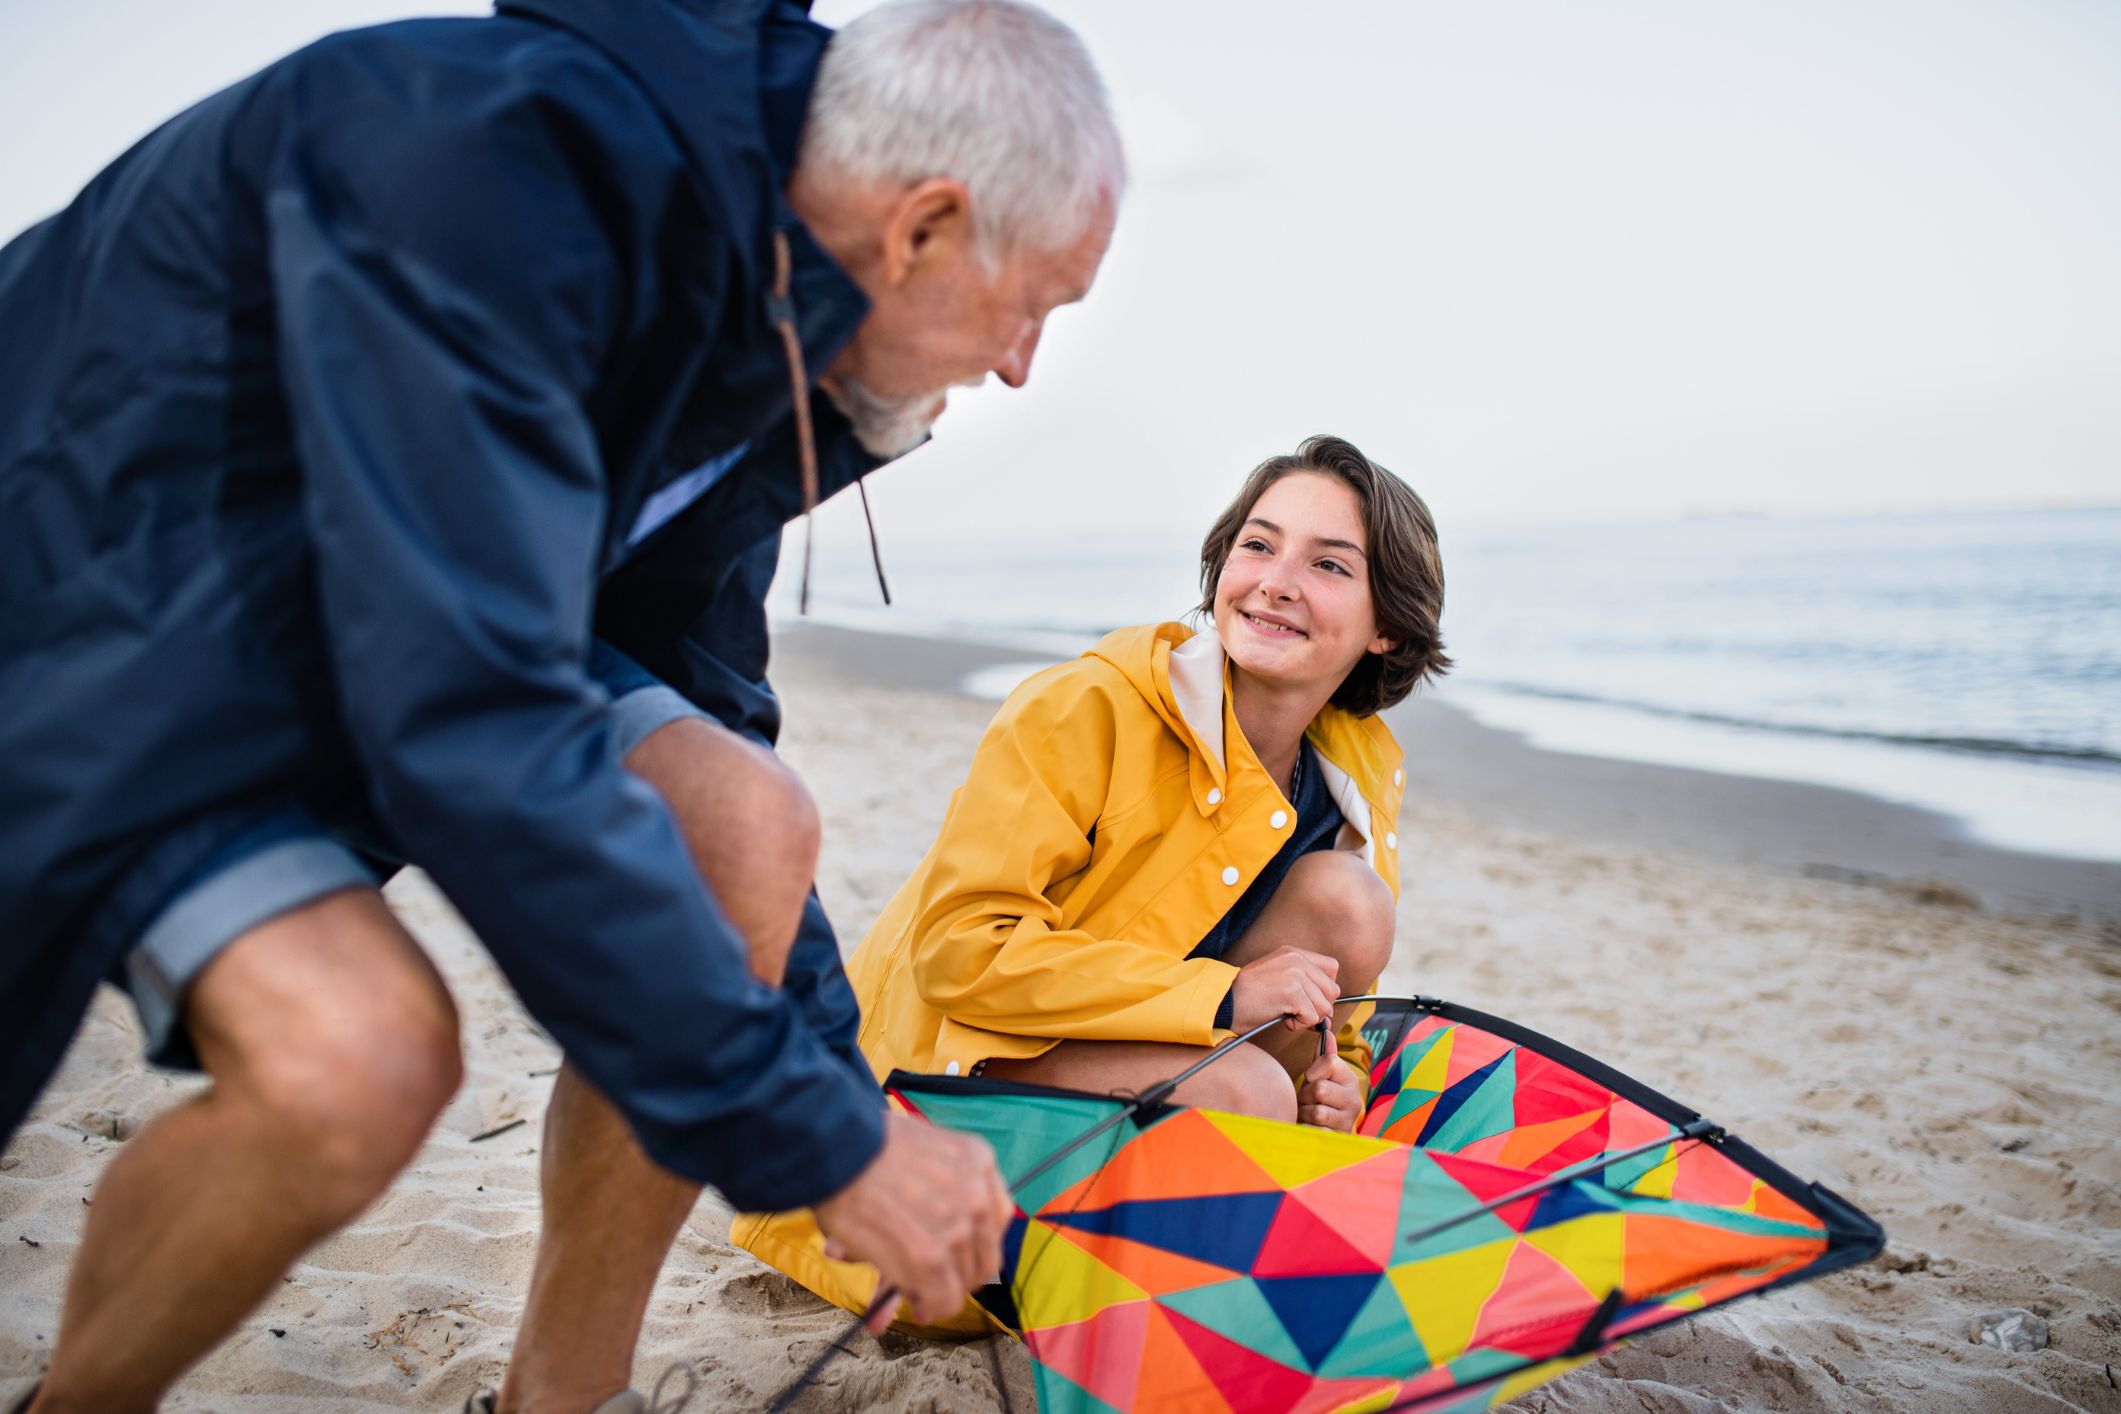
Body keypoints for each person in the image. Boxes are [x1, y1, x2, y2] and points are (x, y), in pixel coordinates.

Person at [0, 1, 1121, 1410]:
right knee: (360, 1055)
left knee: (742, 816)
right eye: (1037, 305)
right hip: (111, 619)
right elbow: (468, 707)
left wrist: (844, 1101)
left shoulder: (765, 323)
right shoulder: (494, 159)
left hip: (362, 647)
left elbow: (703, 694)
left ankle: (559, 1398)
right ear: (922, 228)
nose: (1020, 362)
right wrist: (821, 1147)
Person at [731, 433, 1451, 1329]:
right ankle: (1168, 1295)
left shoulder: (1351, 770)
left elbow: (1317, 1010)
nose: (1273, 580)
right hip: (939, 1094)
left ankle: (1208, 1242)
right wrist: (1223, 996)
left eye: (1328, 564)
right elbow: (956, 954)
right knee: (1244, 1094)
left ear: (1387, 623)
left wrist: (1331, 1083)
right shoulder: (1084, 708)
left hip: (1126, 1072)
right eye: (1257, 544)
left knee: (1348, 905)